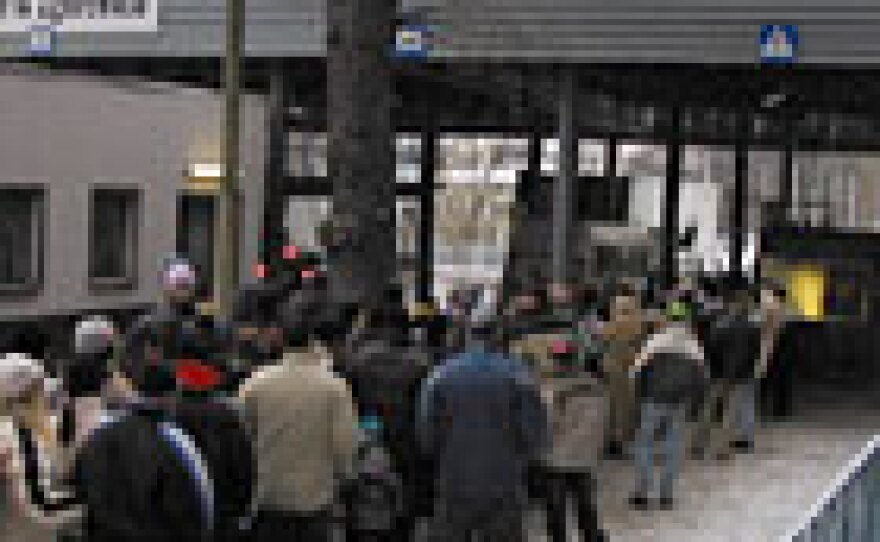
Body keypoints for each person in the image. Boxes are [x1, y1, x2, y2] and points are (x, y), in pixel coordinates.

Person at [417, 302, 549, 542]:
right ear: (498, 334)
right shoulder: (518, 375)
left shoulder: (440, 375)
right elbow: (533, 433)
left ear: (468, 334)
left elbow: (427, 434)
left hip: (454, 478)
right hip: (504, 479)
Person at [238, 285, 359, 542]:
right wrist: (343, 482)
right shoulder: (334, 386)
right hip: (315, 500)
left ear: (282, 340)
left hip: (268, 499)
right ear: (312, 341)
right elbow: (345, 449)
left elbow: (242, 438)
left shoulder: (255, 383)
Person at [534, 299, 609, 542]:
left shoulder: (551, 389)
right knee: (585, 505)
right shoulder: (595, 386)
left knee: (556, 509)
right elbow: (602, 423)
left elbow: (547, 423)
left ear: (556, 360)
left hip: (556, 458)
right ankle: (593, 537)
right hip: (584, 457)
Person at [628, 298, 708, 510]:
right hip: (680, 401)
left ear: (667, 318)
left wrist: (638, 395)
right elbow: (702, 378)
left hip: (653, 399)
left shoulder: (656, 341)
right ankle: (666, 495)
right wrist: (695, 403)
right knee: (673, 446)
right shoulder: (693, 345)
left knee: (644, 444)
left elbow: (636, 371)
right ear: (686, 319)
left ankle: (641, 493)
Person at [125, 254, 230, 396]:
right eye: (179, 285)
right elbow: (135, 372)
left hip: (198, 400)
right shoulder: (147, 326)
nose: (183, 291)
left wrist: (172, 368)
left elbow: (219, 372)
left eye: (186, 285)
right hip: (159, 400)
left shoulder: (209, 325)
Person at [600, 282, 650, 459]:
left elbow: (605, 336)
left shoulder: (611, 323)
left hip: (613, 364)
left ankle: (611, 442)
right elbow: (639, 335)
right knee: (625, 406)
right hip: (625, 365)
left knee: (613, 405)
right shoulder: (634, 318)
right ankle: (621, 443)